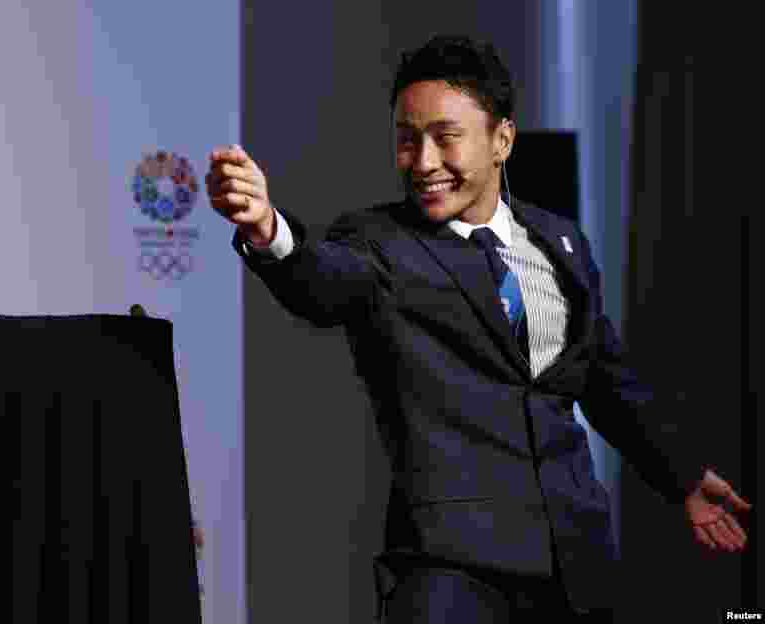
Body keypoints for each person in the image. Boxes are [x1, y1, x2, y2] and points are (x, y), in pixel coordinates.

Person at [205, 34, 750, 623]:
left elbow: (605, 380)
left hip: (577, 566)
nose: (424, 162)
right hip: (449, 574)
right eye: (407, 140)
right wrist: (267, 230)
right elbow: (320, 282)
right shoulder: (378, 243)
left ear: (502, 140)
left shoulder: (559, 241)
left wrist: (682, 476)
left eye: (446, 137)